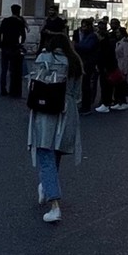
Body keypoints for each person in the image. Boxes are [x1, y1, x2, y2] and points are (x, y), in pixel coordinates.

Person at [28, 31, 82, 224]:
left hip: (45, 109)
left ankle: (54, 204)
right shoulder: (75, 62)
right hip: (67, 110)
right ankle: (46, 185)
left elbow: (32, 83)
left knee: (45, 153)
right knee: (56, 153)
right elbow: (77, 93)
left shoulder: (43, 57)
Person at [0, 4, 27, 97]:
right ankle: (13, 89)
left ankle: (3, 89)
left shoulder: (5, 21)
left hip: (5, 46)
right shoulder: (19, 22)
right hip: (14, 47)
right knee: (14, 69)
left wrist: (1, 43)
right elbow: (24, 35)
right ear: (18, 11)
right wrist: (21, 43)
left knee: (4, 69)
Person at [73, 18, 100, 115]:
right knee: (84, 85)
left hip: (89, 63)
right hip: (85, 62)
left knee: (86, 85)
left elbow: (87, 47)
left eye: (85, 26)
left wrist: (76, 46)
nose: (83, 28)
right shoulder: (85, 35)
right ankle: (84, 104)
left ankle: (86, 106)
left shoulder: (92, 36)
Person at [111, 19, 128, 110]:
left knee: (121, 85)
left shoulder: (125, 42)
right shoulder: (120, 41)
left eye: (118, 33)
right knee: (118, 85)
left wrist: (125, 71)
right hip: (119, 64)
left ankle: (124, 102)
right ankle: (118, 101)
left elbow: (126, 56)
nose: (116, 34)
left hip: (123, 66)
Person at [95, 18, 118, 113]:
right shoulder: (109, 41)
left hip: (106, 67)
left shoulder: (105, 43)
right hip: (108, 66)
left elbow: (103, 56)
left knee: (105, 85)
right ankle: (106, 102)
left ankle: (105, 103)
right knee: (107, 85)